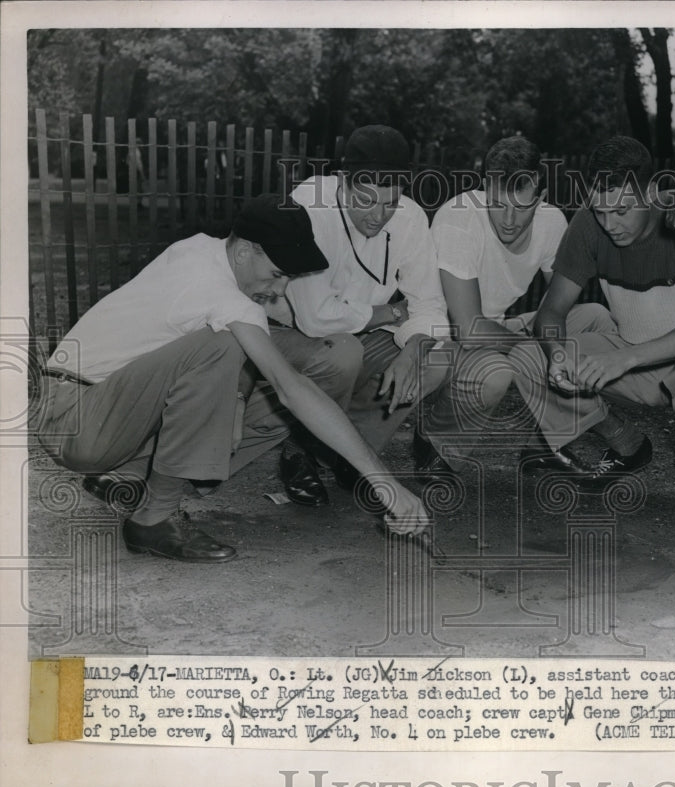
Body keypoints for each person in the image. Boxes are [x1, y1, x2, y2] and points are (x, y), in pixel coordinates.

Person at [35, 194, 430, 563]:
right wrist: (385, 481)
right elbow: (290, 388)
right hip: (76, 420)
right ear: (244, 251)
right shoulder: (222, 295)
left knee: (286, 380)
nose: (279, 290)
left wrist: (237, 402)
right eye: (277, 275)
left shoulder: (201, 250)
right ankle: (152, 520)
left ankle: (131, 477)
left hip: (103, 409)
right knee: (224, 348)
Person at [509, 136, 675, 518]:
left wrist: (626, 359)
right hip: (630, 352)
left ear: (650, 192)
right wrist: (558, 355)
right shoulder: (589, 223)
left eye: (623, 210)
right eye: (601, 210)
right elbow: (550, 314)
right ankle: (624, 442)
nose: (610, 224)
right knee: (527, 355)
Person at [268, 124, 450, 503]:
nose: (379, 215)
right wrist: (389, 313)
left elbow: (429, 304)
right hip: (286, 335)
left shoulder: (411, 217)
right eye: (366, 200)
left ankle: (349, 452)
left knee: (434, 359)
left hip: (355, 333)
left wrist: (414, 349)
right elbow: (316, 317)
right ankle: (299, 449)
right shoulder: (309, 203)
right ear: (343, 182)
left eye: (390, 202)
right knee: (344, 352)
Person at [412, 135, 570, 475]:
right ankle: (436, 444)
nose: (509, 219)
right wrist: (534, 347)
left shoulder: (553, 221)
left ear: (540, 197)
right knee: (495, 373)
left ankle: (545, 445)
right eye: (498, 204)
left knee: (594, 319)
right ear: (485, 188)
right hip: (439, 333)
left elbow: (558, 305)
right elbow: (468, 329)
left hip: (493, 329)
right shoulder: (459, 217)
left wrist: (550, 343)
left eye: (522, 207)